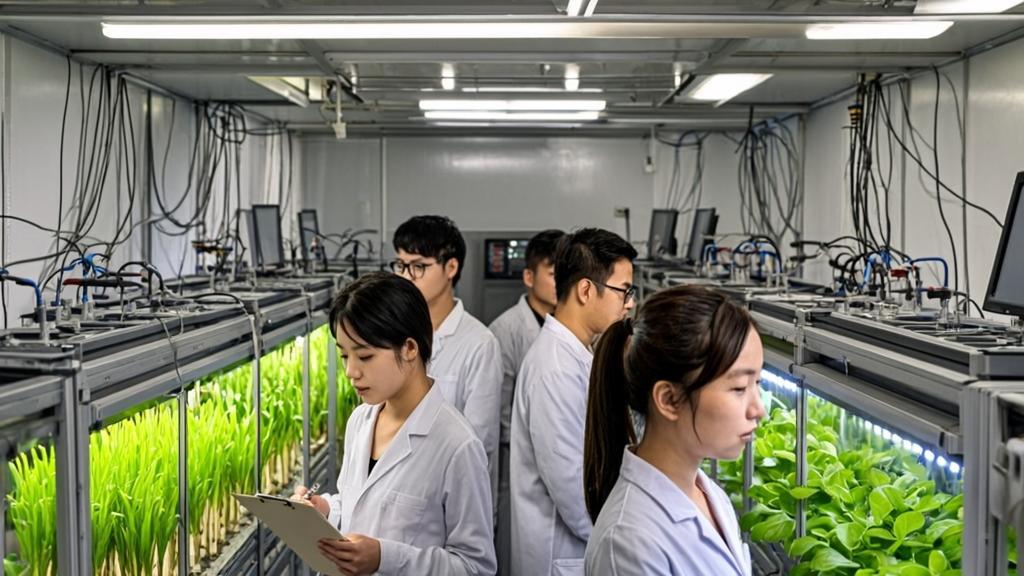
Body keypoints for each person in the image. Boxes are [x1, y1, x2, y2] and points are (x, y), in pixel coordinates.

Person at [293, 272, 496, 576]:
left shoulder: (458, 446)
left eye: (365, 356)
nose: (351, 371)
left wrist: (384, 558)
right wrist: (325, 509)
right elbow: (359, 508)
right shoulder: (361, 420)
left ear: (410, 349)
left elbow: (475, 566)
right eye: (345, 356)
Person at [583, 285, 765, 576]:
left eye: (758, 383)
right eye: (739, 388)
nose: (758, 409)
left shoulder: (709, 495)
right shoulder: (629, 544)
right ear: (668, 399)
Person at [509, 227, 637, 576]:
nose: (629, 303)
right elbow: (574, 493)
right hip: (562, 556)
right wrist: (626, 548)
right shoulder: (554, 370)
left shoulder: (578, 353)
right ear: (585, 290)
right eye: (624, 291)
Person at [391, 216, 502, 493]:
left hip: (447, 496)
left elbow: (479, 443)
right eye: (400, 265)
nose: (406, 276)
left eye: (418, 266)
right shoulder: (391, 333)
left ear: (451, 267)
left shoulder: (479, 343)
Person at [488, 228, 565, 573]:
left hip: (558, 463)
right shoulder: (505, 331)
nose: (562, 282)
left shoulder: (569, 330)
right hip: (515, 461)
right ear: (529, 277)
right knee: (514, 551)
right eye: (554, 273)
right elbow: (499, 410)